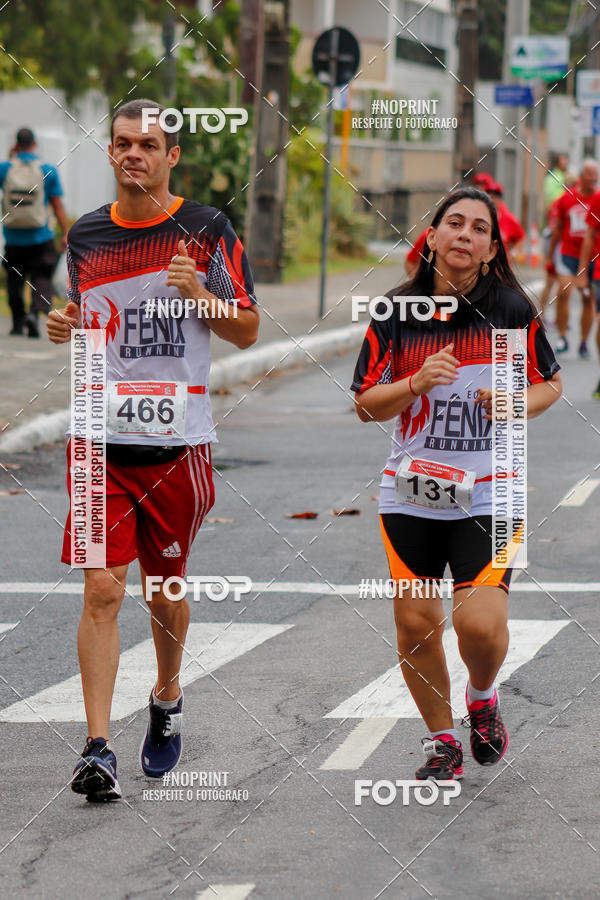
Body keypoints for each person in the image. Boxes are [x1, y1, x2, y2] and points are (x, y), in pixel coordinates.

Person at [46, 98, 259, 802]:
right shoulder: (86, 236)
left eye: (148, 143)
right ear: (110, 153)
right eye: (122, 142)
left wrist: (200, 292)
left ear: (173, 158)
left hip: (177, 446)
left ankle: (166, 696)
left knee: (162, 593)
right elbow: (93, 321)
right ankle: (98, 746)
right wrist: (67, 324)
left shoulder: (205, 229)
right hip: (99, 439)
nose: (133, 152)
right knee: (103, 587)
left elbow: (247, 330)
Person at [351, 187, 561, 781]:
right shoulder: (397, 312)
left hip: (491, 493)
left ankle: (482, 698)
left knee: (478, 625)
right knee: (417, 624)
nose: (465, 235)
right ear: (433, 237)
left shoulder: (512, 311)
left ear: (492, 248)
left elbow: (551, 383)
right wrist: (415, 383)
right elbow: (367, 404)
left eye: (478, 229)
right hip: (412, 494)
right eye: (454, 224)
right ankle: (443, 740)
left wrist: (516, 400)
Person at [0, 127, 68, 337]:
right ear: (35, 143)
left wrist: (12, 155)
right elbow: (57, 205)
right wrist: (66, 232)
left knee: (14, 281)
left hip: (13, 236)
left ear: (16, 144)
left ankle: (17, 323)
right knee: (42, 277)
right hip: (41, 236)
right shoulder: (48, 169)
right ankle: (35, 313)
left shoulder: (4, 168)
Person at [546, 160, 598, 356]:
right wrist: (550, 256)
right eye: (589, 174)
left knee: (587, 298)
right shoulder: (567, 199)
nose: (593, 178)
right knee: (564, 292)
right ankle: (562, 337)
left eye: (596, 175)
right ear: (581, 176)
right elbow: (557, 229)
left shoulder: (598, 199)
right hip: (568, 253)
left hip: (592, 257)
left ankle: (584, 342)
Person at [486, 181, 525, 260]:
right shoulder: (478, 216)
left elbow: (521, 238)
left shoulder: (508, 219)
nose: (492, 199)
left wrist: (512, 254)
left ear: (500, 199)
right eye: (489, 195)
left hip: (500, 267)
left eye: (495, 196)